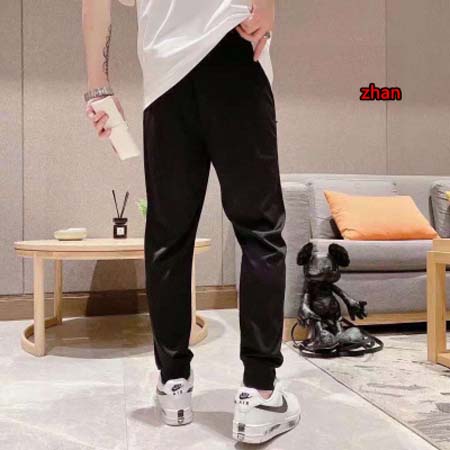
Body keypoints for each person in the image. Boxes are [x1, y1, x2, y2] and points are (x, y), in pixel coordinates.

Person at [82, 0, 301, 443]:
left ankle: (173, 384)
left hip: (165, 77)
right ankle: (260, 392)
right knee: (259, 231)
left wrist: (97, 87)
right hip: (233, 49)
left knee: (168, 237)